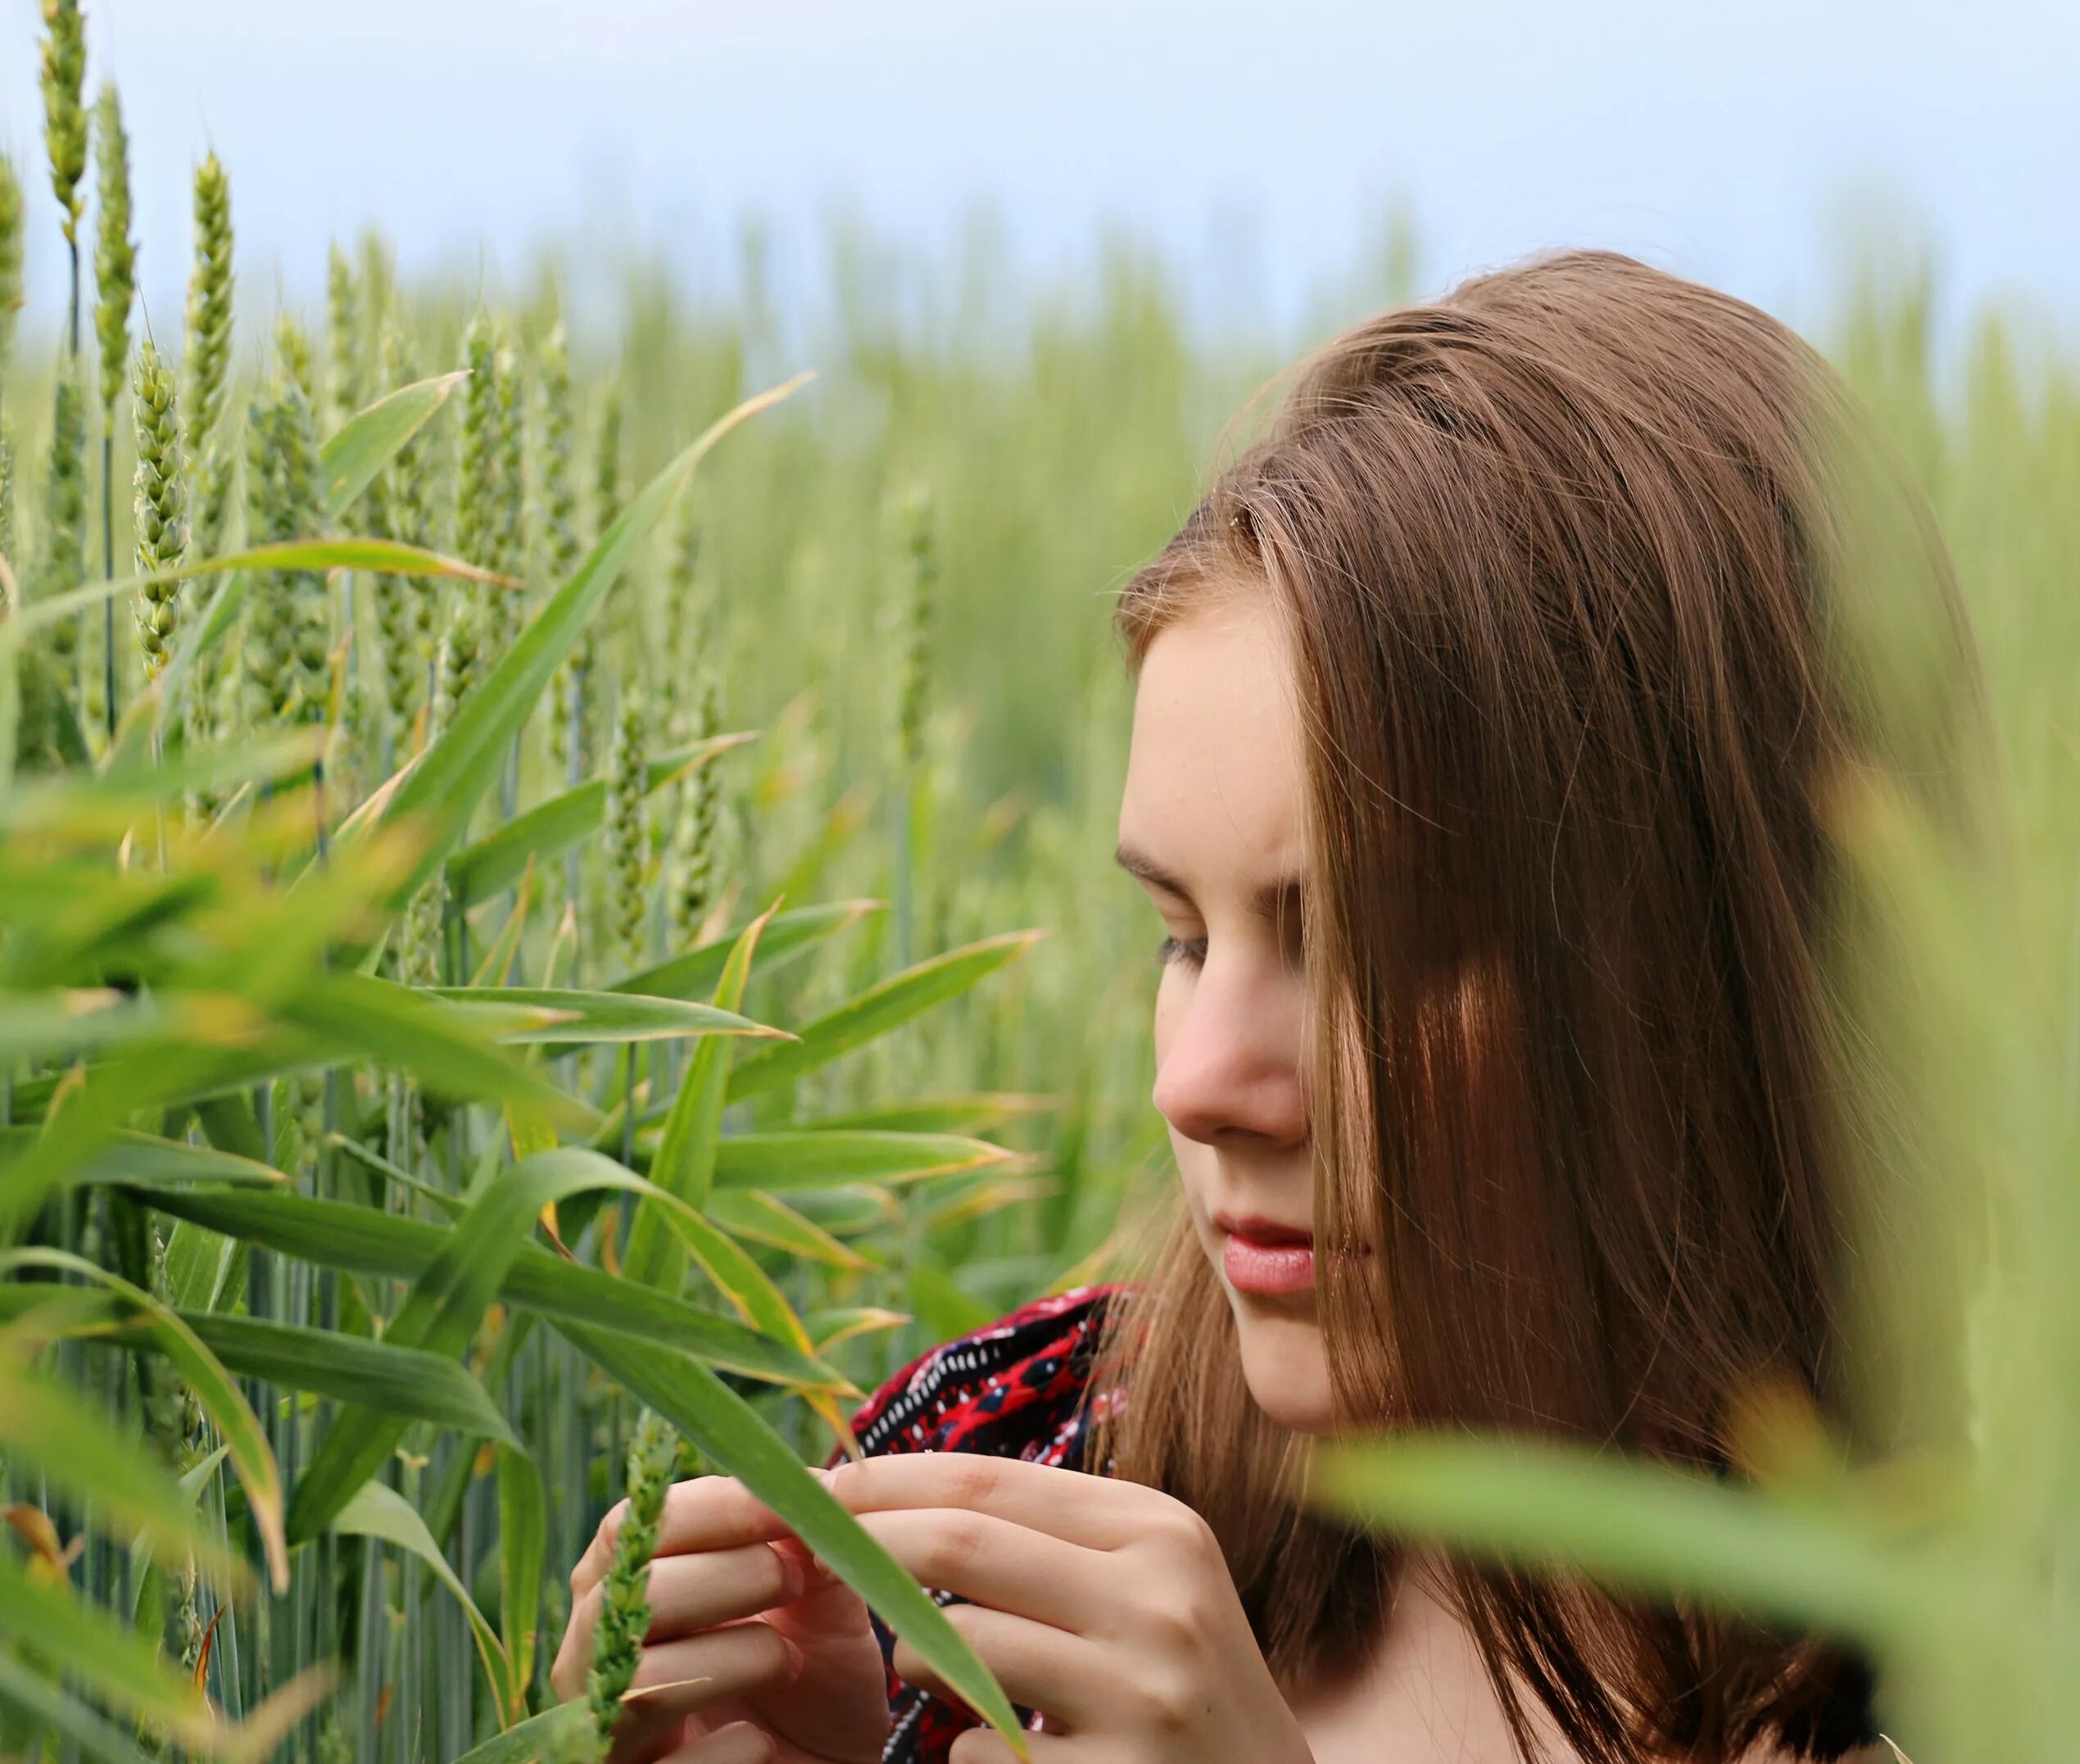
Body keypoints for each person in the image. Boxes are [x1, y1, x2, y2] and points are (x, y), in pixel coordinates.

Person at [551, 248, 1987, 1764]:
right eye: (1180, 934)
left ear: (1695, 972)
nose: (1202, 1083)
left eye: (1366, 951)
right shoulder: (998, 1474)